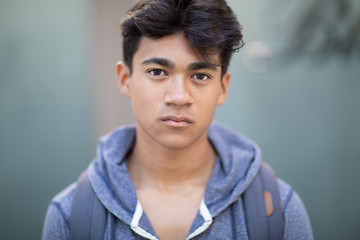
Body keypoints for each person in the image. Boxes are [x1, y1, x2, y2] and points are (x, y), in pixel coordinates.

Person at [42, 0, 313, 239]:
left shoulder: (277, 209)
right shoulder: (69, 215)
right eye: (158, 72)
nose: (179, 96)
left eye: (200, 76)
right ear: (125, 80)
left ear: (223, 88)